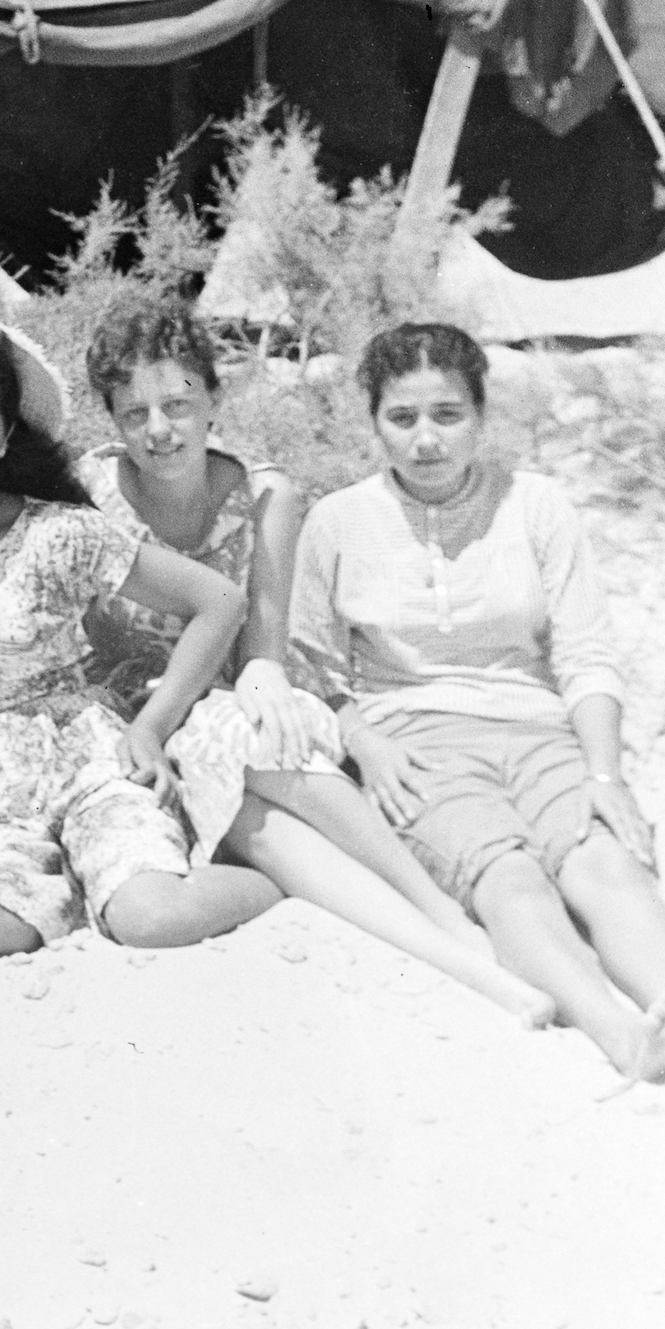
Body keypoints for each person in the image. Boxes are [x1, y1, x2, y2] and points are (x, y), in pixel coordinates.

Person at [289, 319, 665, 1083]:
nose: (426, 439)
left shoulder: (538, 506)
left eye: (447, 415)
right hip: (416, 743)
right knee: (510, 878)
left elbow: (587, 655)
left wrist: (604, 776)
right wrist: (364, 740)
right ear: (373, 423)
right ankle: (624, 1038)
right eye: (402, 418)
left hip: (536, 729)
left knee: (602, 860)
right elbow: (311, 666)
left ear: (481, 418)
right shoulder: (336, 522)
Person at [77, 294, 550, 1020]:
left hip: (224, 707)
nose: (160, 429)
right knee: (251, 799)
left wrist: (264, 682)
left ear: (213, 397)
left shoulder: (266, 494)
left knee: (259, 731)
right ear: (111, 419)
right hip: (130, 715)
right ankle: (461, 954)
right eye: (134, 412)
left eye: (178, 402)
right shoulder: (92, 492)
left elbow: (263, 641)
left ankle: (444, 919)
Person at [0, 311, 293, 956]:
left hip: (87, 762)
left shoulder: (59, 532)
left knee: (152, 918)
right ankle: (76, 888)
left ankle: (275, 882)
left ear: (5, 437)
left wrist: (150, 727)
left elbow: (219, 601)